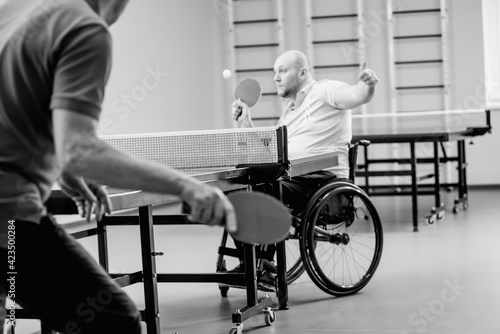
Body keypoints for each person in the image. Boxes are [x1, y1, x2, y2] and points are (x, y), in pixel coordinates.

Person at [0, 0, 236, 333]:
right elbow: (79, 150)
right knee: (115, 321)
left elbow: (25, 109)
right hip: (9, 220)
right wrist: (185, 186)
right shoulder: (85, 28)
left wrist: (65, 172)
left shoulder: (16, 9)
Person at [229, 50, 379, 291]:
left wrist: (366, 86)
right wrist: (246, 122)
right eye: (274, 72)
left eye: (282, 70)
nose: (276, 77)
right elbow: (270, 154)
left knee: (259, 191)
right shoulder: (288, 113)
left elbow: (355, 95)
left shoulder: (324, 90)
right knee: (235, 193)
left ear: (302, 72)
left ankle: (261, 266)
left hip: (321, 181)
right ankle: (253, 266)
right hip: (292, 177)